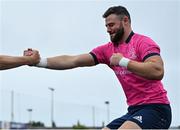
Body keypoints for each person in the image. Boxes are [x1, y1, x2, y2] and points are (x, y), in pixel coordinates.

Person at [25, 6, 172, 129]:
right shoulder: (107, 50)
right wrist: (38, 61)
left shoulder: (143, 42)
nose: (108, 29)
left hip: (157, 109)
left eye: (111, 25)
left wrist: (124, 62)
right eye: (106, 26)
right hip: (133, 111)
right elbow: (73, 60)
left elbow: (157, 71)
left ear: (125, 21)